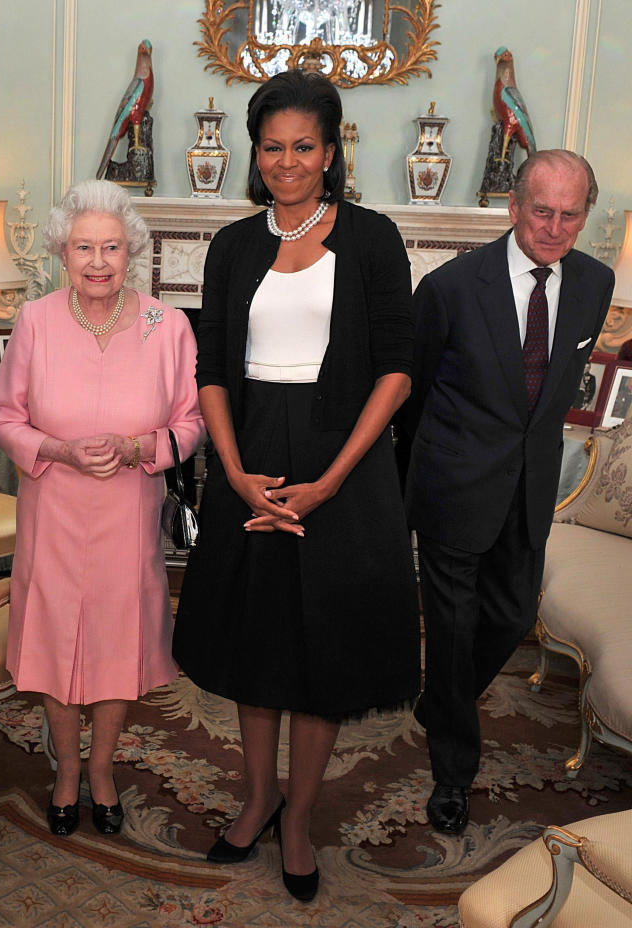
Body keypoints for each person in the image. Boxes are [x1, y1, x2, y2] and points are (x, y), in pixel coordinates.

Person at [172, 70, 419, 903]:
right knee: (256, 645)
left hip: (342, 467)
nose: (286, 162)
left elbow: (396, 371)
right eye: (272, 147)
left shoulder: (376, 238)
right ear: (256, 151)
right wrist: (233, 473)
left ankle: (300, 817)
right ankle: (256, 798)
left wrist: (332, 480)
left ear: (331, 149)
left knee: (322, 655)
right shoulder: (233, 245)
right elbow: (211, 369)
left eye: (303, 146)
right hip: (251, 464)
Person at [0, 179, 204, 840]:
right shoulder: (35, 321)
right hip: (53, 507)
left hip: (128, 515)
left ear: (130, 250)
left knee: (117, 642)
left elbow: (191, 425)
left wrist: (142, 447)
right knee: (53, 639)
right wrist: (60, 449)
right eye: (85, 247)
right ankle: (65, 774)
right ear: (63, 252)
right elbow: (1, 418)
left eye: (111, 246)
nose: (99, 261)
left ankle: (102, 770)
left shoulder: (170, 328)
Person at [402, 150, 614, 836]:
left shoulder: (594, 283)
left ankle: (442, 700)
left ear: (586, 216)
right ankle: (453, 773)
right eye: (542, 211)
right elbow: (414, 393)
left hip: (527, 492)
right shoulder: (452, 287)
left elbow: (554, 390)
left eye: (570, 214)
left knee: (513, 611)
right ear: (515, 205)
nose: (554, 228)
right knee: (457, 630)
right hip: (452, 485)